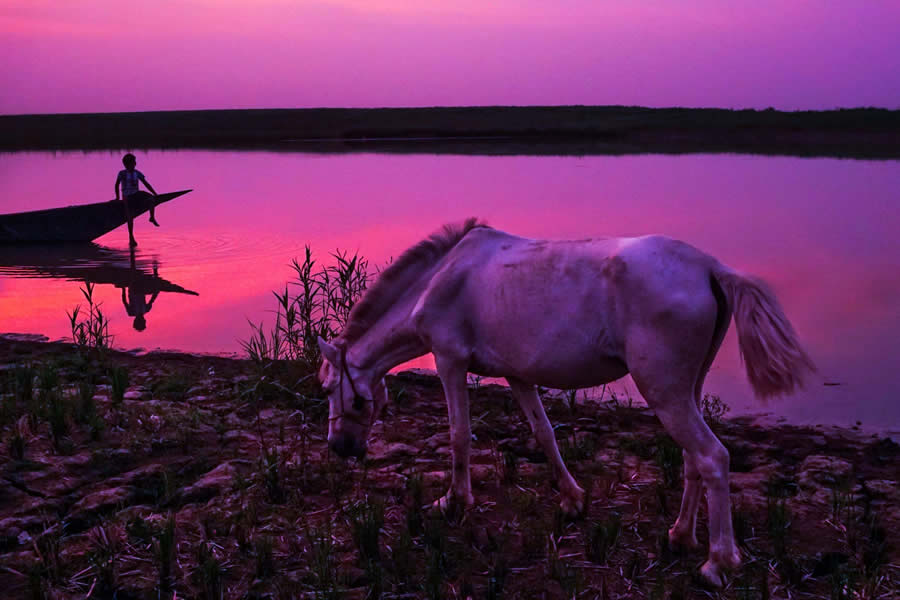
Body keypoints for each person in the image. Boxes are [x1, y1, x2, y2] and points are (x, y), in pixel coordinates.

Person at [115, 153, 158, 247]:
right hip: (127, 196)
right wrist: (117, 197)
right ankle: (131, 237)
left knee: (151, 199)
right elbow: (116, 185)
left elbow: (146, 184)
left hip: (136, 194)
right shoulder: (122, 173)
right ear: (128, 164)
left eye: (135, 162)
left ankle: (151, 217)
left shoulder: (137, 173)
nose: (135, 163)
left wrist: (155, 194)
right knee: (130, 217)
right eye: (133, 162)